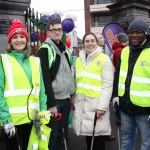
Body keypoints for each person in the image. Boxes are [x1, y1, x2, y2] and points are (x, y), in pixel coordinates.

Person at [0, 19, 47, 150]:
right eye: (15, 37)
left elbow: (41, 91)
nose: (19, 40)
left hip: (34, 118)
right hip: (12, 121)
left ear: (26, 40)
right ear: (10, 41)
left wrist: (42, 113)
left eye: (22, 37)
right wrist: (5, 120)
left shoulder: (35, 61)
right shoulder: (3, 61)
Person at [37, 18, 76, 150]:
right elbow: (45, 80)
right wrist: (51, 104)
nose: (57, 32)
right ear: (48, 32)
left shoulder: (64, 49)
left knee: (62, 133)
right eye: (54, 29)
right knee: (52, 135)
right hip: (54, 101)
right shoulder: (44, 50)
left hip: (65, 98)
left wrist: (71, 95)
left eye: (59, 29)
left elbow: (68, 74)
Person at [72, 32, 114, 150]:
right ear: (83, 44)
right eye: (87, 41)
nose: (90, 43)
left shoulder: (104, 59)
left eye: (92, 41)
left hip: (97, 105)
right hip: (83, 104)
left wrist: (102, 107)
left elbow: (108, 84)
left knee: (98, 137)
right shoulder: (79, 60)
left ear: (96, 43)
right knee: (88, 136)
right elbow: (78, 82)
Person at [112, 20, 150, 150]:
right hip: (125, 107)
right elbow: (117, 76)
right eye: (131, 32)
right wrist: (115, 96)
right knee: (126, 139)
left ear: (146, 34)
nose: (134, 35)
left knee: (147, 144)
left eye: (138, 32)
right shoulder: (124, 51)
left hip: (145, 110)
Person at [95, 32, 115, 141]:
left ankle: (106, 133)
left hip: (103, 93)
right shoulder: (99, 56)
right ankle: (105, 133)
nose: (103, 39)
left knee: (104, 117)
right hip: (97, 94)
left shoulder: (104, 56)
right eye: (100, 38)